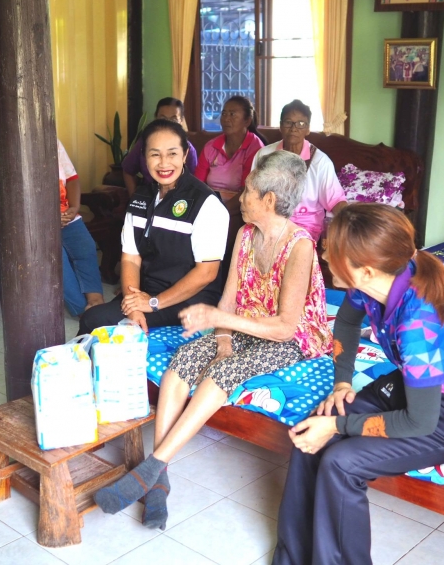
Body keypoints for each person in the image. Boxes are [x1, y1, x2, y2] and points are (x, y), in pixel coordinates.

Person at [93, 151, 333, 531]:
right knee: (183, 361)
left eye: (248, 190)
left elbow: (285, 327)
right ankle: (159, 481)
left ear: (269, 200)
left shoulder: (299, 246)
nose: (240, 196)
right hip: (241, 324)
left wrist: (221, 323)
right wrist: (222, 339)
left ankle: (151, 469)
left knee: (222, 374)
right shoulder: (245, 234)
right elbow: (228, 301)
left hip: (288, 338)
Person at [273, 203, 444, 565]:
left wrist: (337, 425)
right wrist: (341, 383)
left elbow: (419, 421)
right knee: (310, 432)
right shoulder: (371, 279)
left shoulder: (419, 323)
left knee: (341, 462)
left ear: (364, 270)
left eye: (330, 251)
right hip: (419, 385)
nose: (324, 255)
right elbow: (347, 324)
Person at [78, 119, 228, 334]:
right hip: (147, 292)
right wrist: (134, 305)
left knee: (96, 320)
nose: (164, 163)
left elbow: (206, 273)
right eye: (155, 154)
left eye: (172, 154)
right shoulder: (141, 197)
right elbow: (131, 259)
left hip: (191, 300)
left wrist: (153, 303)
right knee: (98, 319)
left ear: (185, 155)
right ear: (144, 157)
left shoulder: (206, 203)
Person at [251, 99, 347, 241]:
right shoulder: (264, 155)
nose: (294, 128)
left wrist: (352, 220)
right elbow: (253, 192)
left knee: (293, 247)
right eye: (288, 122)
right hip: (271, 221)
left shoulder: (320, 161)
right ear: (281, 126)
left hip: (306, 227)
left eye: (301, 123)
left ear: (308, 129)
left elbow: (335, 199)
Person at [57, 140, 105, 316]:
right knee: (57, 258)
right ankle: (82, 310)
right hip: (37, 222)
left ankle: (95, 301)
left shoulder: (54, 142)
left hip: (66, 215)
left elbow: (72, 179)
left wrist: (74, 207)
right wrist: (48, 218)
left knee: (85, 246)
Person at [122, 97, 198, 196]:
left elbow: (193, 182)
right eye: (163, 119)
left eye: (174, 119)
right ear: (156, 118)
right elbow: (128, 170)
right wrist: (135, 197)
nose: (168, 124)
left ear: (181, 121)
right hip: (149, 196)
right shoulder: (144, 142)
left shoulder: (188, 149)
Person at [193, 95, 266, 194]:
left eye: (232, 114)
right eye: (224, 114)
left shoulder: (255, 148)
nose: (226, 119)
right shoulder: (211, 146)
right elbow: (197, 184)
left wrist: (221, 205)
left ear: (247, 121)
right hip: (210, 200)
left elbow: (247, 192)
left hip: (241, 202)